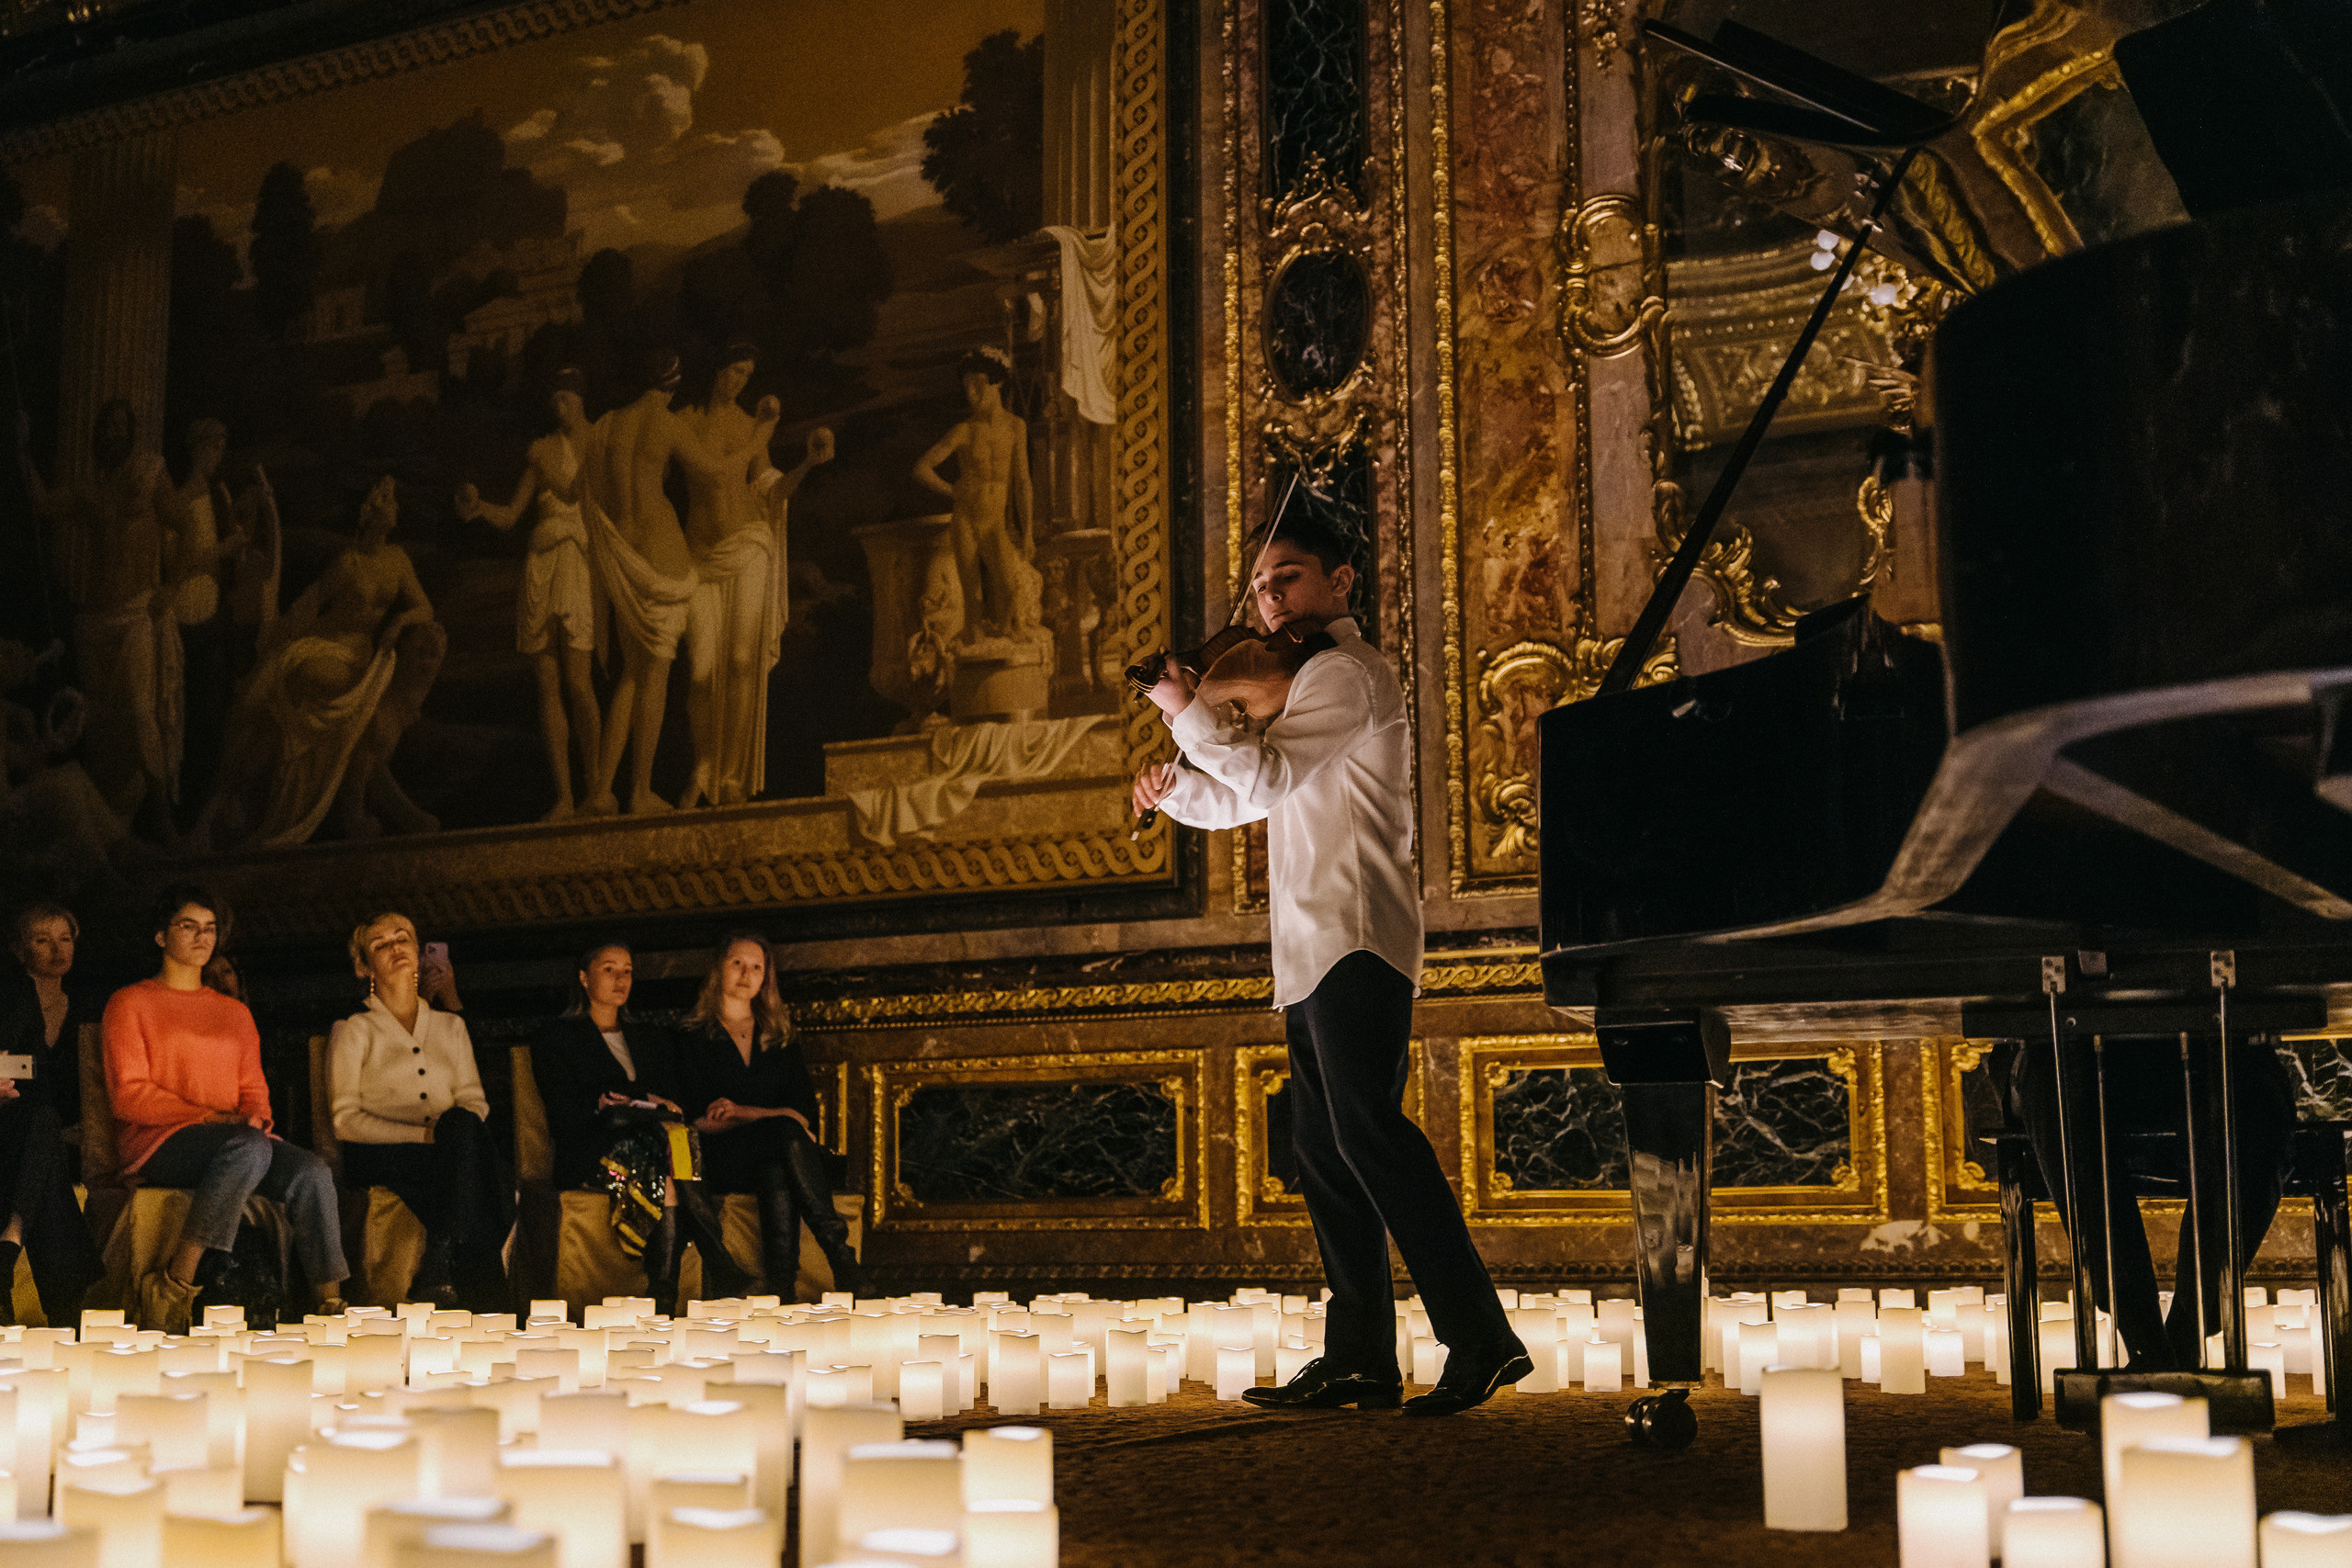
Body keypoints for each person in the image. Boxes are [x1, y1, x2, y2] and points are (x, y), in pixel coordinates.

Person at [1135, 514, 1528, 1416]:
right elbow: (1252, 790)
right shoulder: (1299, 681)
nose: (1270, 599)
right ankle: (1359, 1358)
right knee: (1324, 1146)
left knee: (1367, 1134)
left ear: (1341, 582)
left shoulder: (1345, 672)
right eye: (1263, 585)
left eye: (1290, 578)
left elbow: (1267, 780)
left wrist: (1180, 706)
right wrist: (1178, 788)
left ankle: (1480, 1339)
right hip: (1314, 943)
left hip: (1355, 934)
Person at [102, 884, 347, 1332]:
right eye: (188, 926)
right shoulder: (130, 1002)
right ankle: (176, 1283)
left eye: (210, 929)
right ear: (161, 936)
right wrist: (219, 1120)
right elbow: (129, 1095)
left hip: (238, 1141)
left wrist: (252, 1118)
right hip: (161, 1142)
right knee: (249, 1148)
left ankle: (330, 1307)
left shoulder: (234, 1013)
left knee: (311, 1171)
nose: (202, 937)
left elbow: (254, 1090)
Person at [2009, 1036, 2299, 1370]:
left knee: (2252, 1093)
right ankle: (2147, 1342)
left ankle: (2186, 1330)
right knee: (2058, 1077)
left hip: (2204, 1049)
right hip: (2065, 1053)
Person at [578, 349, 777, 817]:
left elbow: (588, 495)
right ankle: (641, 791)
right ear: (673, 385)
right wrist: (759, 439)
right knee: (656, 678)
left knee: (630, 673)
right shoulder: (666, 424)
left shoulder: (604, 426)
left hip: (621, 559)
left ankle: (602, 790)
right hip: (663, 560)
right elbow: (716, 473)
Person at [204, 474, 445, 847]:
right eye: (388, 501)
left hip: (364, 654)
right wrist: (277, 637)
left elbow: (423, 606)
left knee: (362, 712)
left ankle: (347, 798)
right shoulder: (348, 563)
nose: (395, 508)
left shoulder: (398, 560)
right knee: (301, 682)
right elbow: (310, 605)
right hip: (328, 646)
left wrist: (399, 620)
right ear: (373, 512)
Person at [17, 400, 200, 842]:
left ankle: (163, 825)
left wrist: (171, 588)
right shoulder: (90, 492)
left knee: (141, 716)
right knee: (101, 730)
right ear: (97, 439)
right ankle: (113, 831)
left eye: (120, 427)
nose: (111, 435)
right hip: (94, 620)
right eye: (105, 428)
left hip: (136, 611)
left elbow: (187, 525)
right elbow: (43, 505)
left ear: (132, 435)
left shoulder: (149, 476)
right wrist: (21, 450)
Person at [530, 940, 748, 1310]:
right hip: (592, 1149)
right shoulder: (558, 1037)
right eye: (609, 969)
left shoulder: (650, 1037)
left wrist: (658, 1102)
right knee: (662, 1147)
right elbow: (563, 1109)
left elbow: (673, 1099)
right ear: (584, 978)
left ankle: (663, 1289)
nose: (621, 979)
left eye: (628, 970)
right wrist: (605, 1100)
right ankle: (713, 1262)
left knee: (672, 1143)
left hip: (655, 1144)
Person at [329, 912, 512, 1311]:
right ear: (364, 966)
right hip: (383, 1154)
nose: (397, 948)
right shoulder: (354, 1029)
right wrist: (425, 1135)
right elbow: (344, 1120)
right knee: (475, 1178)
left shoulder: (451, 1026)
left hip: (450, 1148)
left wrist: (446, 1134)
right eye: (381, 944)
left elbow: (475, 1100)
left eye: (404, 938)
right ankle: (493, 1312)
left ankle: (440, 1257)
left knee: (464, 1134)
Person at [679, 341, 833, 809]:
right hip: (700, 557)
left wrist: (806, 463)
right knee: (702, 672)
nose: (740, 382)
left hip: (749, 546)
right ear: (716, 369)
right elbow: (706, 477)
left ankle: (727, 775)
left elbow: (771, 491)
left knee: (744, 660)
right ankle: (703, 764)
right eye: (734, 372)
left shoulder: (751, 428)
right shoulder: (686, 422)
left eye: (747, 375)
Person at [673, 931, 865, 1298]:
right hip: (721, 1159)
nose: (747, 974)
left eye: (757, 967)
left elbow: (803, 1115)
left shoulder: (779, 1037)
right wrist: (777, 1118)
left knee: (779, 1155)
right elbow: (697, 1120)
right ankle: (839, 1257)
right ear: (718, 969)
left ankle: (782, 1289)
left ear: (766, 978)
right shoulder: (690, 1036)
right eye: (737, 963)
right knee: (784, 1137)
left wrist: (741, 1111)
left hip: (775, 1157)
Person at [455, 371, 603, 821]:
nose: (558, 405)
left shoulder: (597, 442)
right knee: (547, 684)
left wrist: (543, 458)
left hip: (578, 562)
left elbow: (573, 490)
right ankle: (563, 795)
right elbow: (512, 515)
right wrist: (480, 507)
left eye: (565, 397)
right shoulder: (541, 452)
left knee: (579, 682)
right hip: (542, 564)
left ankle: (597, 786)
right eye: (553, 398)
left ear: (580, 399)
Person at [0, 902, 102, 1325]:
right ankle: (65, 1312)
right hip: (26, 1129)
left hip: (36, 1127)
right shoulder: (15, 994)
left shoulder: (82, 1007)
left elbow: (32, 1077)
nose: (57, 950)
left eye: (65, 939)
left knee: (41, 1125)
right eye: (43, 940)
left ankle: (8, 1242)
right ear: (21, 948)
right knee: (42, 1134)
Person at [914, 346, 1033, 642]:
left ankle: (1006, 639)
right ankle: (977, 644)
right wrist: (951, 489)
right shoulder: (964, 431)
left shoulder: (1016, 428)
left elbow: (1022, 482)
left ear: (997, 383)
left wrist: (1028, 531)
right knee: (973, 596)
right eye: (966, 386)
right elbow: (922, 468)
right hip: (966, 520)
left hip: (994, 523)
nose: (971, 394)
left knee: (1010, 587)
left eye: (978, 385)